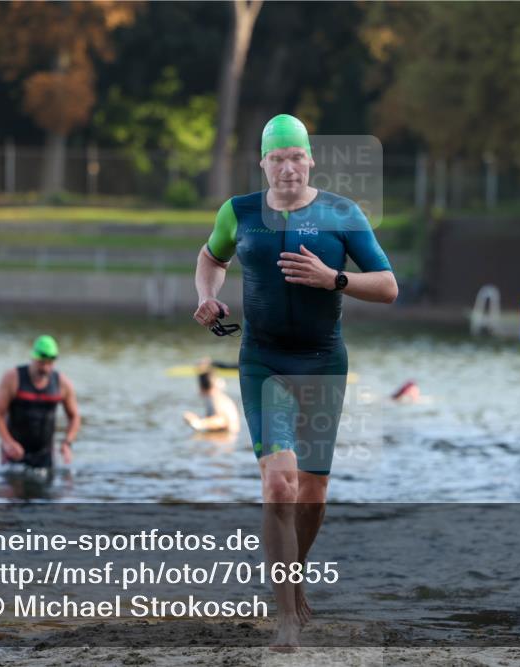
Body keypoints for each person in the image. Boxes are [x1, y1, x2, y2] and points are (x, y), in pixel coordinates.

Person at [192, 114, 397, 649]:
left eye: (295, 157)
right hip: (263, 361)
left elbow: (390, 286)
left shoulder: (341, 214)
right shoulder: (239, 213)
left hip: (323, 361)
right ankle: (286, 618)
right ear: (262, 163)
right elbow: (211, 257)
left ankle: (292, 574)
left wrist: (336, 280)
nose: (286, 167)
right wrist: (206, 297)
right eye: (276, 158)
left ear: (310, 160)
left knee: (313, 491)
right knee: (278, 484)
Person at [0, 335, 80, 475]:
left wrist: (67, 443)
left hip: (44, 454)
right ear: (33, 357)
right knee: (11, 493)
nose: (45, 368)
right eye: (41, 362)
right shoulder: (12, 379)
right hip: (14, 453)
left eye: (49, 363)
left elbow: (74, 416)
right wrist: (7, 442)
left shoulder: (62, 383)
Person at [183, 359, 241, 434]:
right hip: (223, 440)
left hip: (225, 443)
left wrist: (198, 423)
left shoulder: (217, 399)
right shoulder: (218, 398)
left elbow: (222, 420)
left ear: (201, 388)